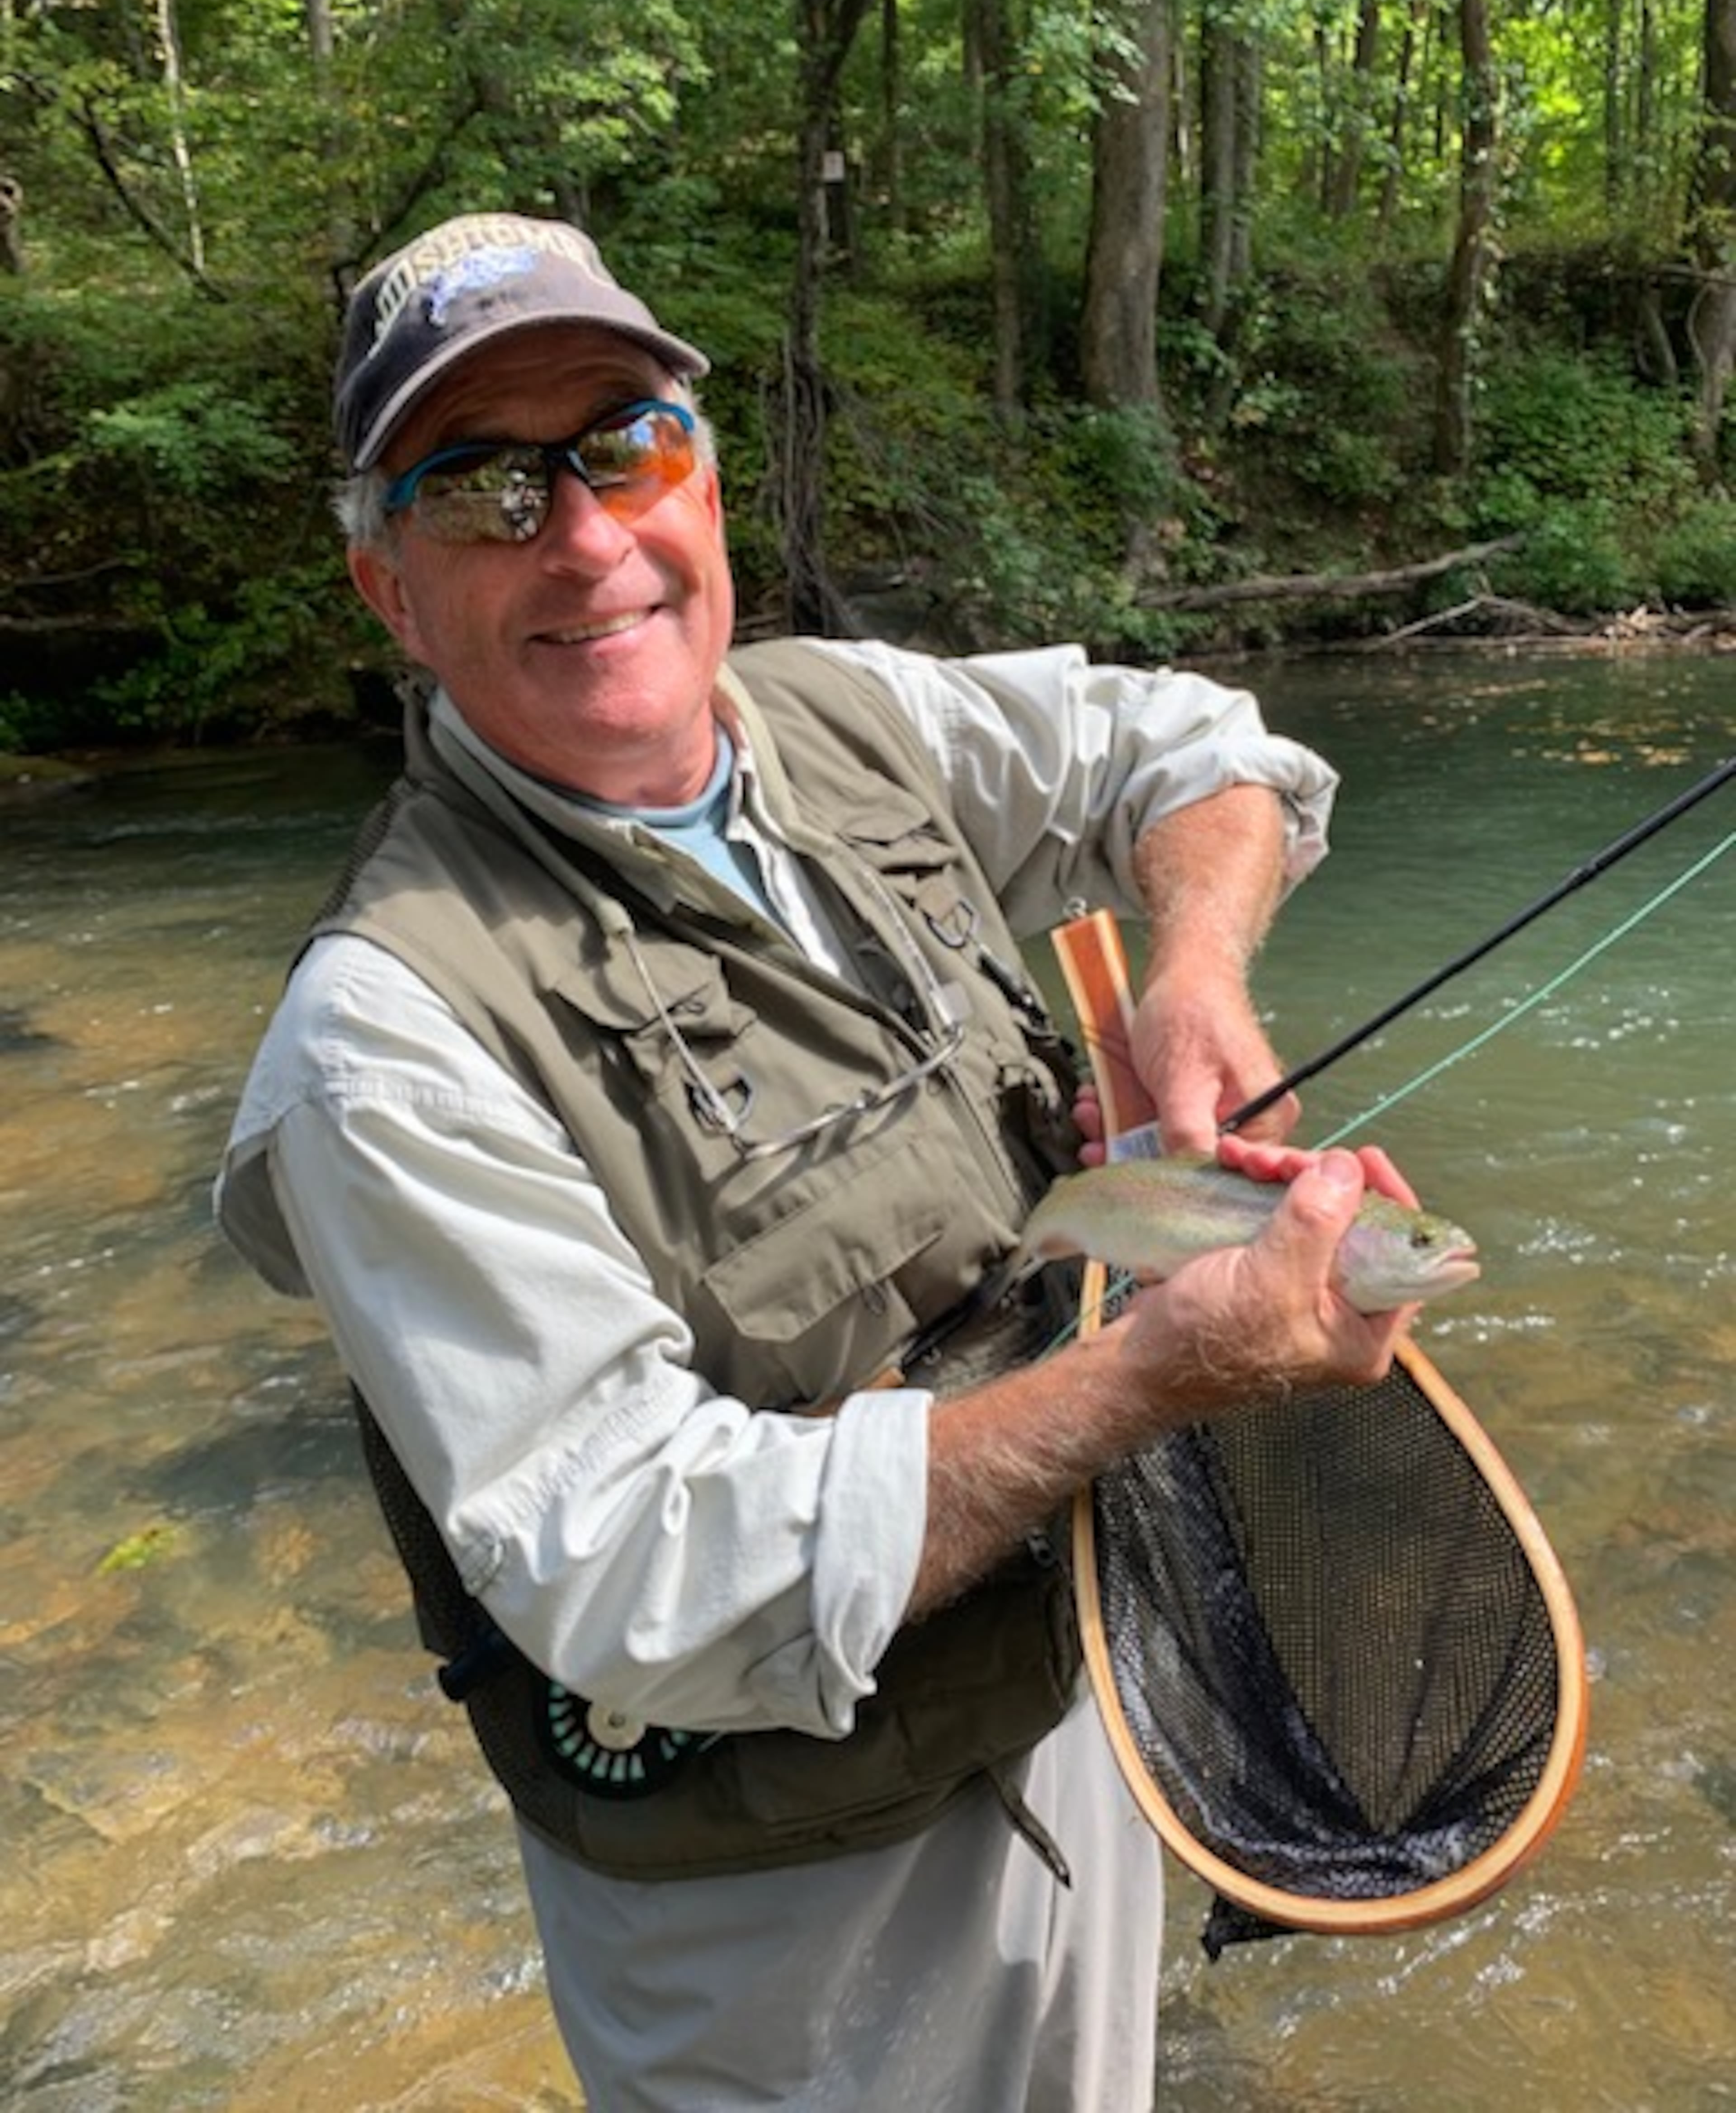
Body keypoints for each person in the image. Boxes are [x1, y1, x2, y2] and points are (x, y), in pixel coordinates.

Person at [216, 210, 1411, 2112]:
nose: (589, 537)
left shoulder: (844, 719)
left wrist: (1190, 969)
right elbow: (640, 1562)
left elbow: (1193, 751)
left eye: (624, 443)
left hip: (1076, 1705)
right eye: (484, 486)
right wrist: (1160, 1370)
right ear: (389, 591)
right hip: (783, 1917)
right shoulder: (384, 1040)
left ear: (705, 465)